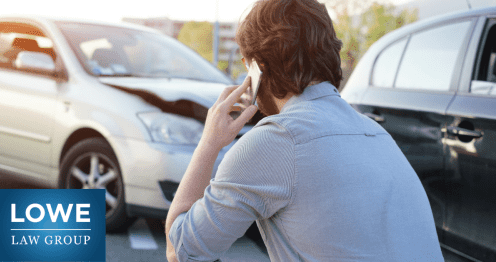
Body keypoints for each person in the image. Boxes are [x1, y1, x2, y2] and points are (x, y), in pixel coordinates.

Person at [165, 0, 444, 261]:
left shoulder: (277, 139)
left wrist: (209, 143)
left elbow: (181, 251)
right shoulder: (376, 134)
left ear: (259, 69)